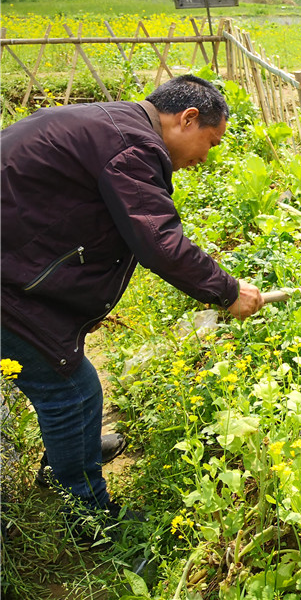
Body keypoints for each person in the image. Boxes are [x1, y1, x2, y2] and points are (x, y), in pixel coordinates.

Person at [1, 75, 264, 538]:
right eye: (210, 141)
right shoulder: (131, 149)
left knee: (75, 378)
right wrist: (227, 291)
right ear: (187, 119)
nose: (206, 157)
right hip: (7, 282)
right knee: (69, 390)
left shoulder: (117, 126)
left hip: (16, 258)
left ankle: (72, 454)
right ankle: (87, 515)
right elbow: (159, 242)